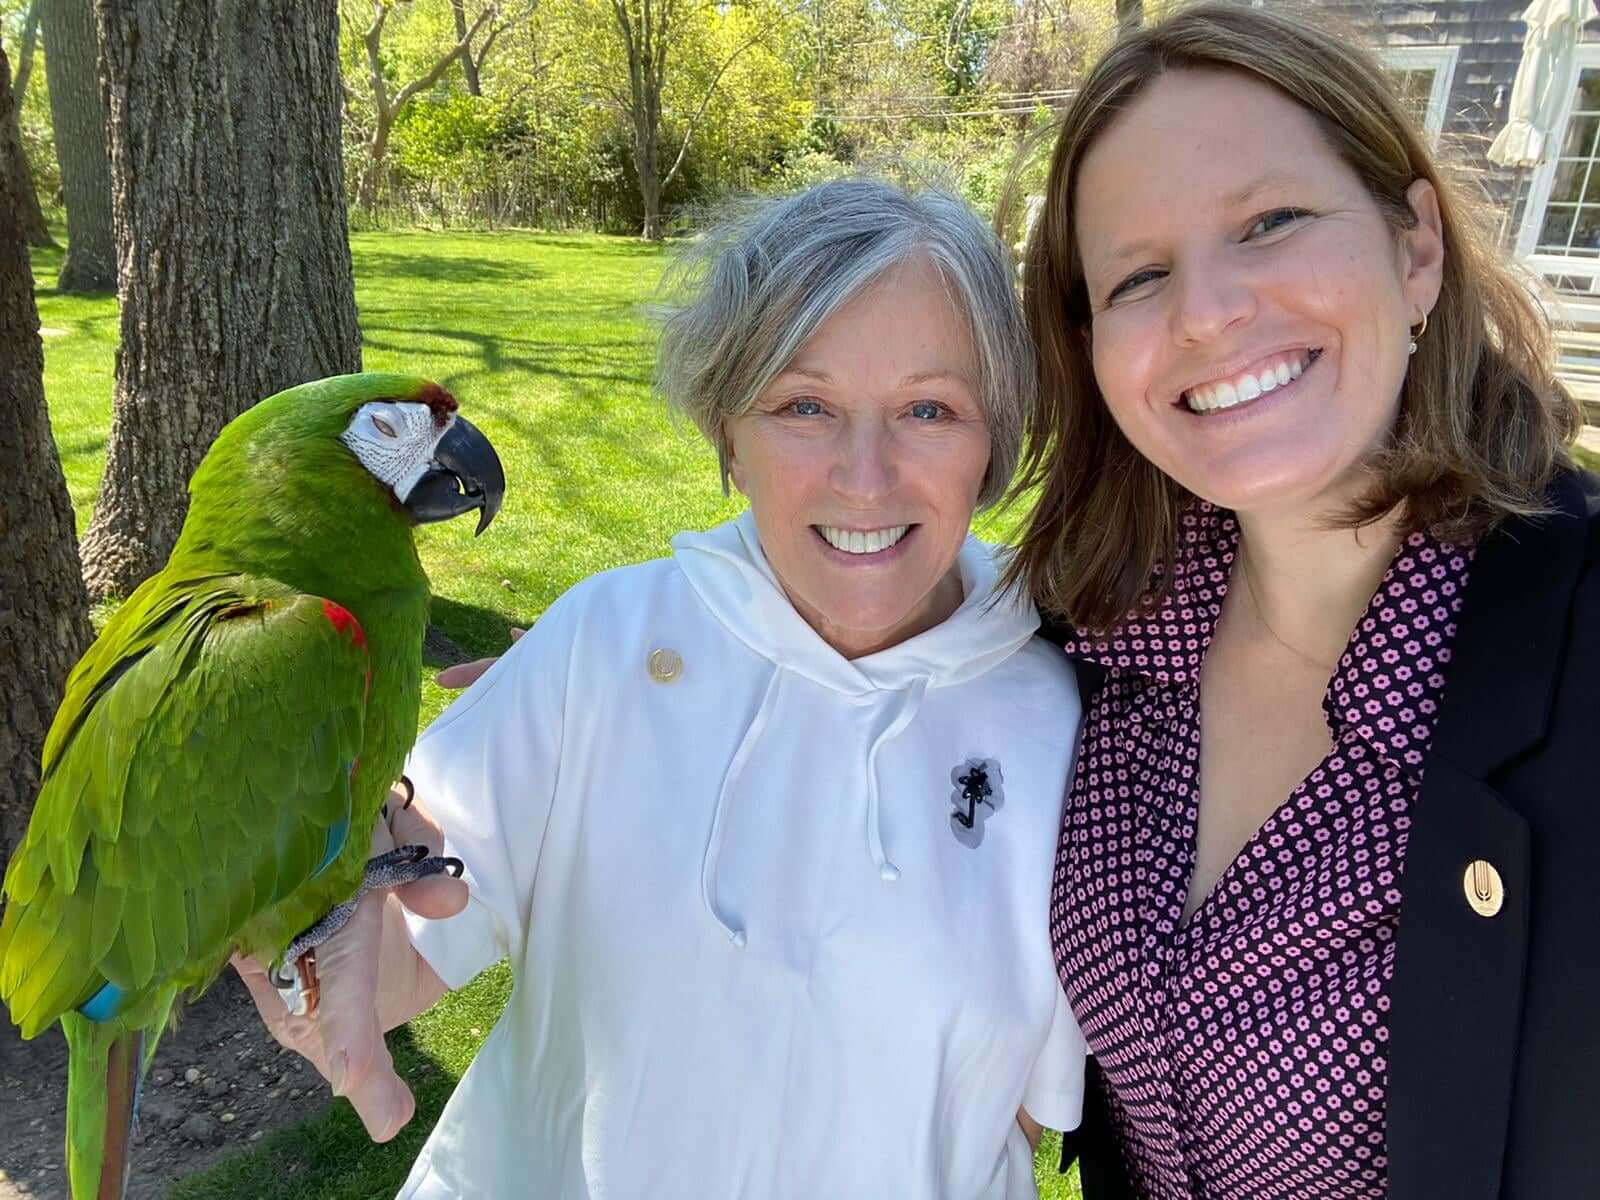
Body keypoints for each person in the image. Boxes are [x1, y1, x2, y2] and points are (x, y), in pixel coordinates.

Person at [235, 177, 1088, 1198]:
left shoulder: (1071, 721)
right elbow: (393, 959)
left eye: (928, 408)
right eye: (803, 405)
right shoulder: (603, 645)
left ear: (993, 434)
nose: (866, 476)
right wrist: (312, 924)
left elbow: (1025, 1112)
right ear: (726, 430)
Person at [1004, 5, 1598, 1199]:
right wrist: (597, 687)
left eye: (1270, 223)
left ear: (1415, 248)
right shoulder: (1105, 643)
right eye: (1137, 275)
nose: (1206, 312)